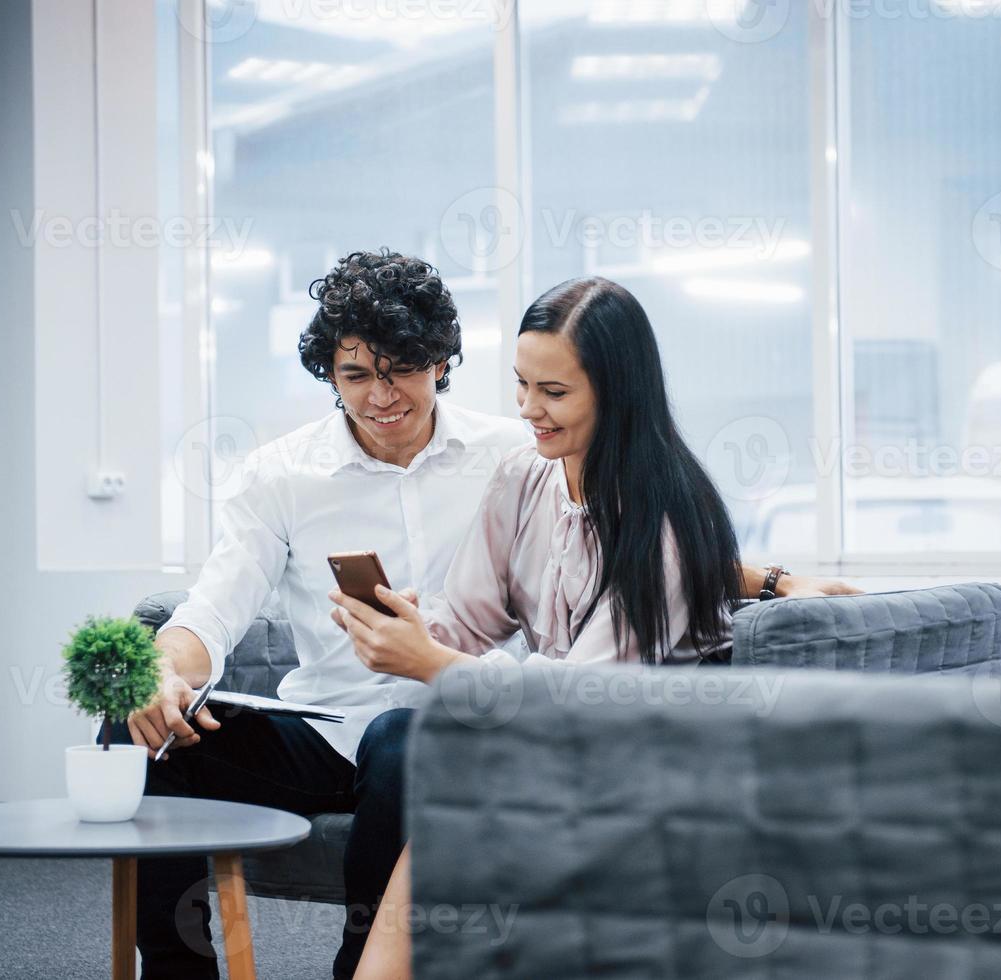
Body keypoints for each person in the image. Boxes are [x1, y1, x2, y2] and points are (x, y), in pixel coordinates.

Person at [111, 254, 855, 980]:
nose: (380, 397)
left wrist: (769, 580)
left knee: (407, 737)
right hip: (344, 730)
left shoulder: (520, 452)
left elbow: (642, 566)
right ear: (329, 377)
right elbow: (217, 608)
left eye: (400, 369)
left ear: (440, 361)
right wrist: (163, 670)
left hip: (482, 732)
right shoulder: (494, 465)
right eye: (355, 376)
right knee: (131, 726)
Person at [328, 276, 835, 977]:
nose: (528, 409)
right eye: (521, 385)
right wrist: (414, 629)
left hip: (650, 753)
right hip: (554, 734)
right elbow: (469, 622)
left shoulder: (664, 511)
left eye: (554, 393)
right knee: (418, 744)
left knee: (423, 744)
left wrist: (427, 665)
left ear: (617, 390)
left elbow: (585, 698)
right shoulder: (521, 479)